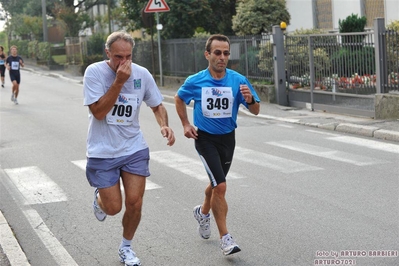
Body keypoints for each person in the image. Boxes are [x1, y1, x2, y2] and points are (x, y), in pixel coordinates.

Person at [83, 30, 175, 266]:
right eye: (118, 57)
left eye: (128, 56)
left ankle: (126, 247)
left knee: (135, 203)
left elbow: (157, 105)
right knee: (114, 208)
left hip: (133, 148)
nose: (124, 62)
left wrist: (164, 125)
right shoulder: (94, 72)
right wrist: (119, 82)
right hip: (102, 150)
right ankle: (100, 199)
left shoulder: (142, 74)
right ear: (107, 53)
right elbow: (99, 112)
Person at [174, 34, 260, 256]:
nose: (222, 57)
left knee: (215, 185)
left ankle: (202, 213)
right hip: (205, 139)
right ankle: (226, 239)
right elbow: (179, 98)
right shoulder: (196, 81)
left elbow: (256, 109)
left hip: (228, 139)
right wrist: (185, 124)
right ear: (208, 55)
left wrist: (250, 99)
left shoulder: (238, 80)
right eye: (217, 53)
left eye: (226, 53)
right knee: (220, 187)